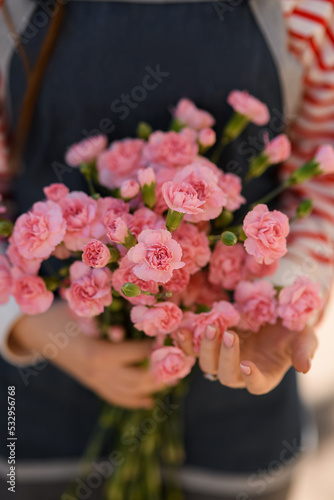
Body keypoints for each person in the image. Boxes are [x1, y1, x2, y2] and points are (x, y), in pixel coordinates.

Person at [0, 1, 334, 499]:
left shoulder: (303, 10)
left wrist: (280, 297)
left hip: (234, 427)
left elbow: (321, 185)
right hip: (35, 418)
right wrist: (26, 324)